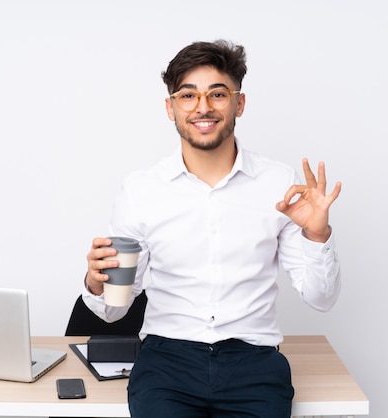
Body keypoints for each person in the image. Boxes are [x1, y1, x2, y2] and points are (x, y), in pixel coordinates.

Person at [82, 39, 342, 418]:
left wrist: (317, 236)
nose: (203, 107)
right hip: (166, 365)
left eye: (217, 94)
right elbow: (112, 312)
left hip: (254, 364)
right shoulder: (141, 190)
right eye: (188, 95)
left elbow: (321, 299)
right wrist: (95, 282)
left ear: (239, 103)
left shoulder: (279, 185)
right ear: (170, 108)